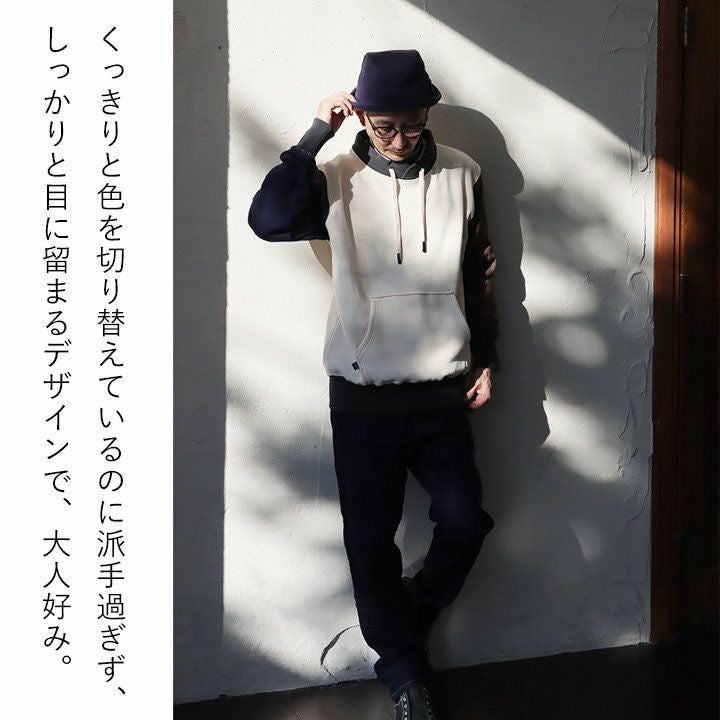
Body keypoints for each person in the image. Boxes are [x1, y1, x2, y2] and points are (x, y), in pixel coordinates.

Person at [248, 49, 500, 720]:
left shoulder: (463, 172)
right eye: (384, 125)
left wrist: (487, 358)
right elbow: (268, 221)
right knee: (370, 539)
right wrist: (313, 135)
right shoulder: (333, 175)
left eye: (412, 124)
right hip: (362, 394)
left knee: (465, 520)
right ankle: (404, 672)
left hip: (442, 387)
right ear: (361, 116)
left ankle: (400, 628)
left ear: (427, 114)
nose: (399, 138)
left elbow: (478, 271)